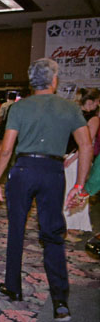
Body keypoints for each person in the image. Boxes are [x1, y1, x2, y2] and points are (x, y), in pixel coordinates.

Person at [0, 58, 92, 322]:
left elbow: (7, 149)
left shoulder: (20, 108)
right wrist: (80, 185)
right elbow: (86, 146)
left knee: (16, 229)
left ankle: (13, 288)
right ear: (54, 80)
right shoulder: (69, 108)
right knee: (53, 234)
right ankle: (60, 302)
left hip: (23, 170)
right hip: (52, 173)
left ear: (32, 81)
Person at [62, 89, 99, 240]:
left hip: (67, 155)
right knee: (76, 189)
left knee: (67, 189)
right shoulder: (93, 119)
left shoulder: (72, 113)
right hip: (77, 158)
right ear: (91, 101)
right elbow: (87, 143)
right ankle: (72, 227)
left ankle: (69, 225)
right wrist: (73, 158)